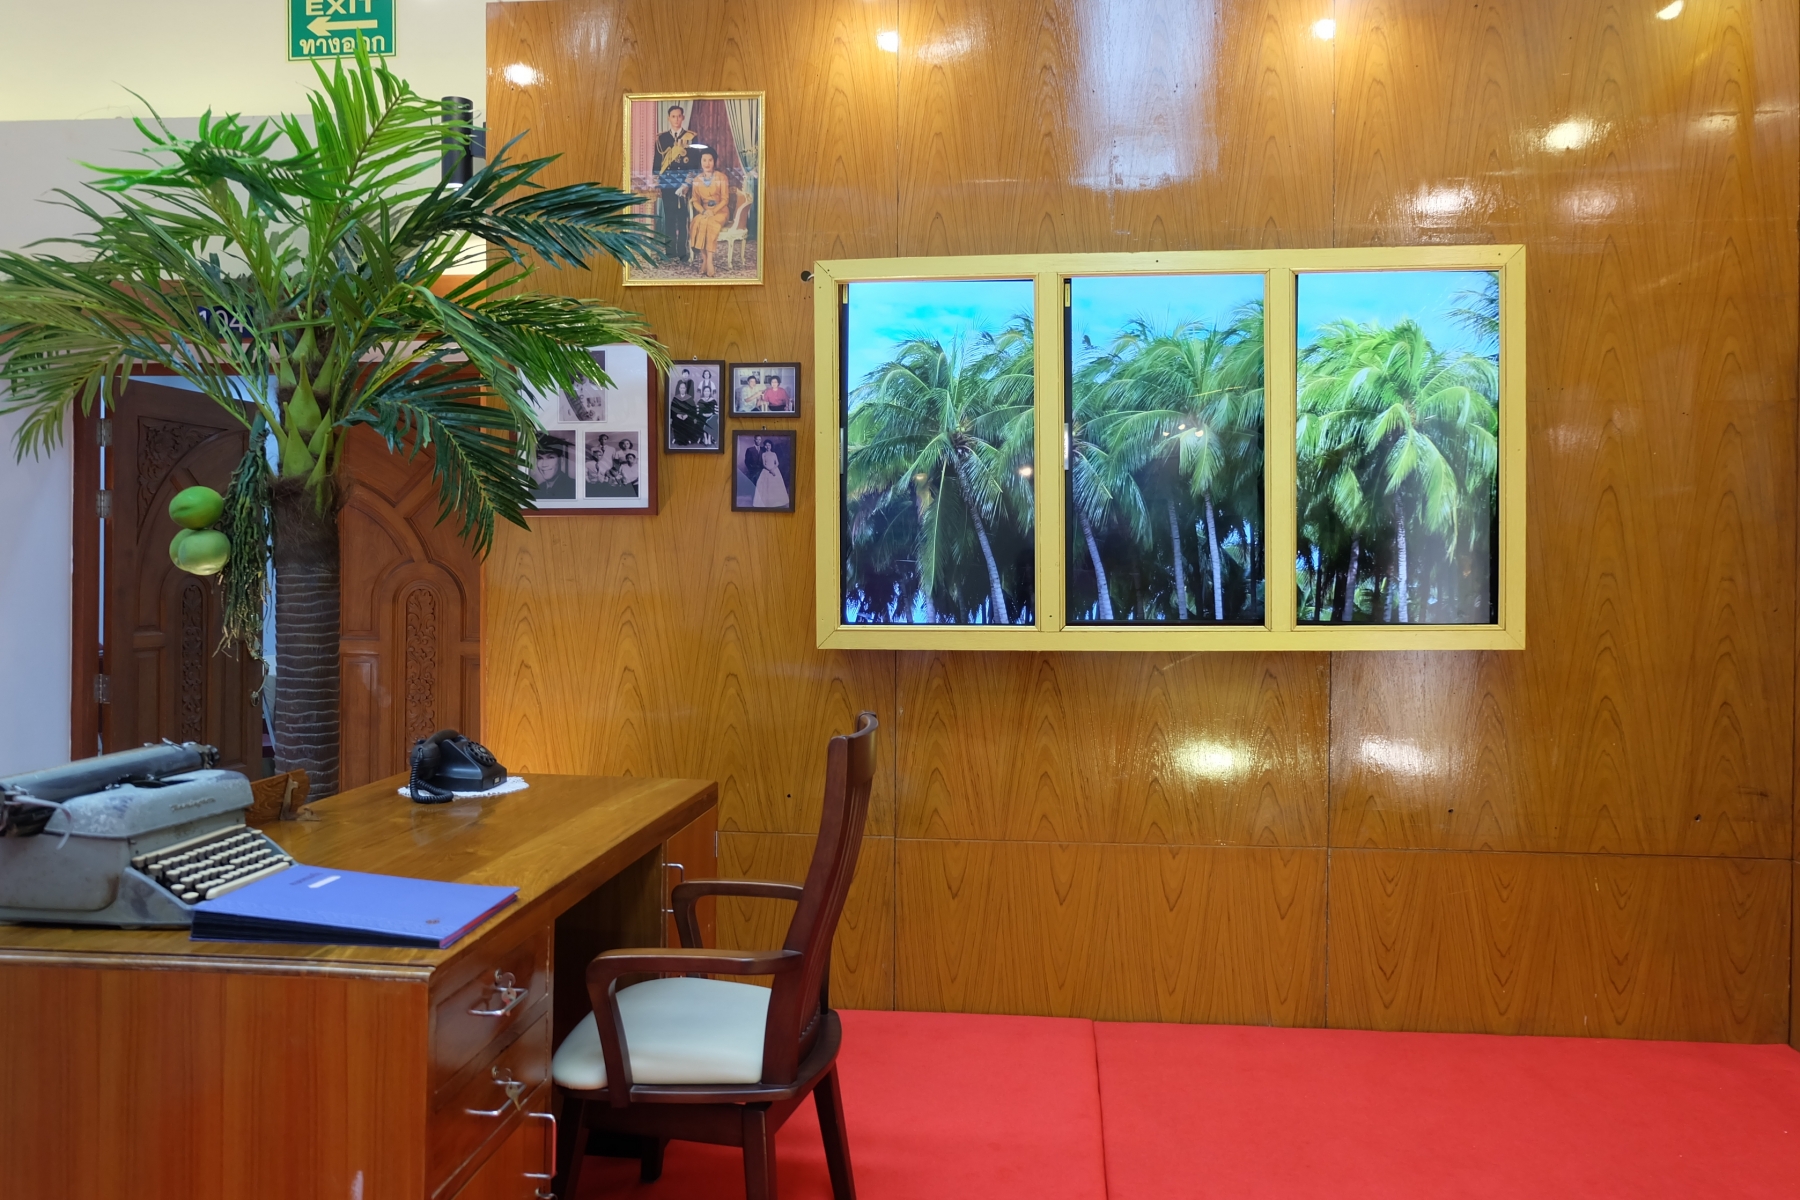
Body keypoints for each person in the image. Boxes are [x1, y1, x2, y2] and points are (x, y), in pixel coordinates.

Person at [653, 105, 699, 263]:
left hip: (684, 184)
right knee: (670, 217)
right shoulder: (662, 139)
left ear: (683, 117)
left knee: (683, 217)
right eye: (673, 116)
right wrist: (657, 184)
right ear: (669, 118)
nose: (676, 119)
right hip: (667, 184)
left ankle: (682, 251)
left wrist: (687, 184)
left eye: (679, 116)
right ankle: (670, 251)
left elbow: (695, 163)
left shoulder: (691, 137)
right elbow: (657, 163)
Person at [686, 149, 731, 278]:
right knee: (698, 221)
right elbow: (695, 201)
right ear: (701, 162)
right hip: (705, 211)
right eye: (704, 160)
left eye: (710, 160)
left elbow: (725, 199)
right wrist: (703, 211)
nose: (707, 163)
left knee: (710, 223)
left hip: (720, 211)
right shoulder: (697, 180)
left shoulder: (722, 177)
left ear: (714, 162)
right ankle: (704, 260)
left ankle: (710, 261)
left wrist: (713, 211)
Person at [532, 433, 576, 499]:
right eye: (540, 458)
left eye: (550, 457)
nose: (544, 465)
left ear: (561, 459)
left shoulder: (573, 487)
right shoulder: (537, 490)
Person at [752, 438, 789, 509]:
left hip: (774, 470)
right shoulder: (763, 454)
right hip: (766, 470)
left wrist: (773, 469)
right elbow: (764, 464)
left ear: (771, 446)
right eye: (766, 445)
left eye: (769, 445)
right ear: (764, 446)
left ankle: (775, 502)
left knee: (775, 486)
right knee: (766, 486)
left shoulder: (774, 454)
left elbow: (777, 463)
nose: (768, 447)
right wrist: (770, 470)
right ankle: (766, 502)